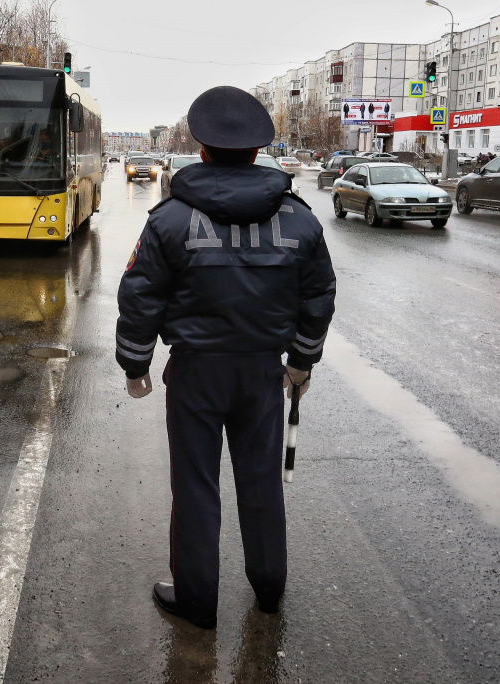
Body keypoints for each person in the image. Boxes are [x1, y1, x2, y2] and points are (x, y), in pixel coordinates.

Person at [115, 86, 336, 630]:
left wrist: (136, 364)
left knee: (195, 486)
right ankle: (268, 590)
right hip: (263, 372)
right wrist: (302, 361)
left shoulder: (170, 220)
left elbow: (141, 294)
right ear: (258, 151)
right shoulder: (299, 220)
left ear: (203, 150)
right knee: (261, 483)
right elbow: (319, 296)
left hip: (195, 372)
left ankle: (196, 599)